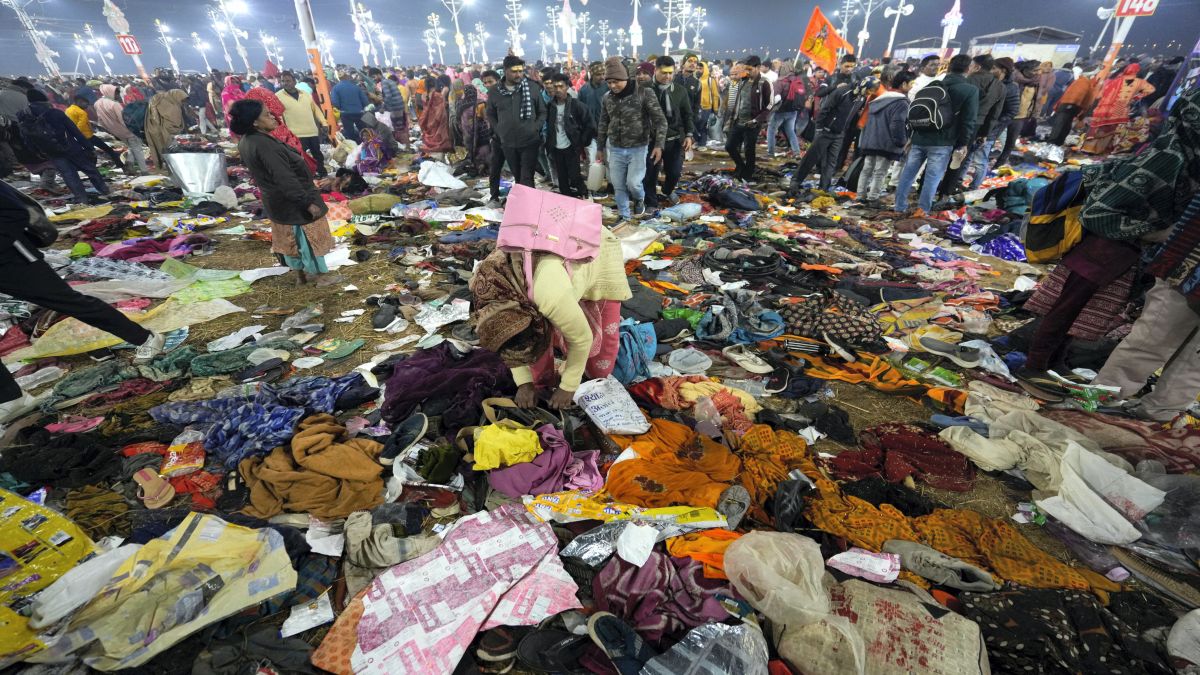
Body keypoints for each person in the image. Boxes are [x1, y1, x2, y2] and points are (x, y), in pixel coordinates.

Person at [1019, 89, 1200, 395]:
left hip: (1128, 255)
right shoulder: (1167, 158)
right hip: (1103, 249)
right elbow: (1099, 211)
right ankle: (1034, 366)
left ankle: (1056, 363)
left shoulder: (1188, 159)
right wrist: (1156, 232)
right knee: (1067, 307)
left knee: (1090, 312)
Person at [473, 228, 632, 410]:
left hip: (595, 246)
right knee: (537, 361)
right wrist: (524, 383)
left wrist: (568, 387)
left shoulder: (550, 297)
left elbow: (582, 338)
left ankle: (594, 377)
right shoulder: (486, 296)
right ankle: (542, 383)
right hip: (552, 262)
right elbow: (508, 343)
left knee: (600, 359)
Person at [230, 98, 332, 285]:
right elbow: (285, 178)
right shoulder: (264, 145)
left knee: (290, 240)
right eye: (267, 114)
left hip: (277, 201)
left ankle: (300, 276)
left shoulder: (249, 140)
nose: (273, 117)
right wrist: (306, 202)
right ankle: (321, 277)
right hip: (293, 201)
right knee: (307, 240)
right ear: (254, 121)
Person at [893, 54, 979, 214]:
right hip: (943, 141)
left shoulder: (934, 84)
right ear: (968, 69)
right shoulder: (970, 90)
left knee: (908, 174)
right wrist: (963, 143)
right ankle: (922, 210)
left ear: (949, 67)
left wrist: (912, 135)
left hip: (920, 136)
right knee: (932, 178)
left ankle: (899, 206)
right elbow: (969, 120)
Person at [596, 56, 667, 220]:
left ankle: (639, 199)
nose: (613, 86)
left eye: (616, 81)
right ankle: (624, 216)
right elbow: (603, 122)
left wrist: (659, 145)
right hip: (615, 148)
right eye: (609, 82)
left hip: (638, 148)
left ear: (626, 78)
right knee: (618, 185)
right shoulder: (607, 97)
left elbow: (660, 120)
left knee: (633, 184)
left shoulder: (644, 93)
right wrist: (600, 147)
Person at [19, 90, 109, 203]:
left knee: (69, 175)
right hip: (70, 147)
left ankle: (81, 199)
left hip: (52, 152)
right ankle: (105, 191)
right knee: (90, 169)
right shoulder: (55, 113)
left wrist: (39, 151)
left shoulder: (25, 117)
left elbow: (26, 137)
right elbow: (74, 131)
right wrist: (88, 147)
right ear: (44, 99)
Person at [787, 61, 859, 194]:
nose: (849, 69)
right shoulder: (834, 81)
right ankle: (796, 181)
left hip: (840, 132)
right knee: (812, 157)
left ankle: (824, 188)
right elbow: (822, 100)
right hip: (826, 128)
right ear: (841, 65)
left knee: (831, 162)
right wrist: (820, 127)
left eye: (852, 66)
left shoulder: (859, 95)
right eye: (847, 65)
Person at [485, 55, 547, 204]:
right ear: (505, 71)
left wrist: (535, 128)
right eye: (514, 71)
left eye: (521, 70)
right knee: (518, 176)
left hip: (529, 141)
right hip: (508, 142)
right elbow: (490, 114)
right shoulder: (495, 92)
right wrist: (499, 130)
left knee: (527, 176)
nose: (519, 74)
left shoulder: (532, 87)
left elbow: (542, 111)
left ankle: (530, 208)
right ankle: (523, 207)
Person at [942, 54, 1004, 195]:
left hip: (957, 122)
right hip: (977, 126)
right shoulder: (1000, 87)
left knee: (941, 154)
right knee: (959, 159)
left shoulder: (969, 80)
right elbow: (994, 114)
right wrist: (984, 134)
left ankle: (929, 185)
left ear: (977, 66)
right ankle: (946, 191)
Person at [643, 56, 694, 208]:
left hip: (675, 138)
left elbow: (687, 114)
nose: (668, 76)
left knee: (674, 173)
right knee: (650, 174)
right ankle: (651, 202)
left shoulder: (679, 91)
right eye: (664, 72)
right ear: (656, 70)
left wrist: (689, 135)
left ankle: (667, 190)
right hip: (651, 140)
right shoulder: (644, 89)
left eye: (671, 73)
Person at [858, 71, 913, 203]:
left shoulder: (879, 98)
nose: (912, 87)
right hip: (886, 142)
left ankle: (860, 196)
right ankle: (873, 198)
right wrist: (901, 142)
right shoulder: (901, 103)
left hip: (870, 140)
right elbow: (897, 124)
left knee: (867, 169)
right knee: (880, 172)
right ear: (904, 84)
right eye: (911, 83)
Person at [968, 58, 1020, 189]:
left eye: (993, 68)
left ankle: (974, 187)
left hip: (990, 130)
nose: (991, 71)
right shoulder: (991, 82)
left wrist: (994, 124)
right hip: (978, 126)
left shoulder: (1011, 88)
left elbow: (1012, 111)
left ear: (1003, 70)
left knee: (980, 160)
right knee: (967, 158)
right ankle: (958, 183)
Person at [1082, 63, 1156, 155]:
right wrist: (1136, 97)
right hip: (1118, 106)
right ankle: (1098, 150)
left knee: (1102, 127)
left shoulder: (1115, 79)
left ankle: (1090, 148)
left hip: (1106, 105)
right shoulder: (1136, 82)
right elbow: (1150, 90)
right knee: (1110, 128)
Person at [545, 73, 595, 199]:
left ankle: (584, 195)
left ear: (567, 87)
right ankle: (566, 200)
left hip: (571, 146)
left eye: (561, 86)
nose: (558, 90)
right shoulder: (550, 106)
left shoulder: (576, 106)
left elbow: (590, 125)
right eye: (555, 87)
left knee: (575, 175)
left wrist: (582, 142)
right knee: (562, 177)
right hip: (556, 147)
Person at [722, 56, 771, 181]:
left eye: (750, 69)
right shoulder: (743, 80)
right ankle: (741, 166)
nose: (748, 72)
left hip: (753, 123)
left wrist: (757, 120)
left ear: (758, 67)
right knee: (730, 146)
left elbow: (770, 106)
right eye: (746, 69)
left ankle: (747, 176)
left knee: (749, 150)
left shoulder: (764, 83)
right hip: (738, 121)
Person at [277, 71, 329, 179]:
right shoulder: (278, 96)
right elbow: (279, 116)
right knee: (299, 158)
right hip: (295, 134)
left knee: (317, 155)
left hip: (312, 131)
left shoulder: (305, 94)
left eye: (288, 80)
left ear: (294, 81)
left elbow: (316, 110)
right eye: (283, 81)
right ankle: (306, 177)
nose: (285, 83)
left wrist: (324, 122)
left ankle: (322, 173)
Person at [94, 84, 147, 174]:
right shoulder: (114, 104)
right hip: (126, 130)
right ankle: (144, 171)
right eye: (116, 94)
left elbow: (100, 120)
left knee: (132, 147)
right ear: (109, 92)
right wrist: (135, 129)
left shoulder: (97, 103)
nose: (118, 96)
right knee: (138, 149)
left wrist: (110, 131)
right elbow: (124, 119)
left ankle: (129, 164)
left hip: (115, 131)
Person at [64, 95, 124, 170]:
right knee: (106, 149)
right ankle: (120, 165)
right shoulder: (82, 112)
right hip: (87, 136)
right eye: (86, 104)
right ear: (79, 102)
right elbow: (80, 126)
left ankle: (89, 168)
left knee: (87, 153)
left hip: (75, 137)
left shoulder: (68, 110)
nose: (87, 106)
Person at [767, 61, 805, 158]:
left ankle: (770, 153)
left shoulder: (780, 82)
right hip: (793, 111)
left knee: (771, 130)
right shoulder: (798, 80)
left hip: (780, 111)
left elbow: (775, 98)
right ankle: (796, 152)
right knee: (791, 131)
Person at [1048, 73, 1097, 147]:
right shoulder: (1084, 82)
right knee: (1062, 124)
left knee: (1064, 124)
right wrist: (1077, 106)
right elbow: (1079, 95)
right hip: (1070, 105)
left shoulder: (1082, 82)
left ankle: (1056, 142)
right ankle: (1053, 142)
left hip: (1069, 105)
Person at [454, 83, 491, 176]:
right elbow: (486, 118)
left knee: (473, 149)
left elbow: (459, 120)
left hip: (467, 131)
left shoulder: (461, 105)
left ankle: (478, 166)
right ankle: (485, 167)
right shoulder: (480, 103)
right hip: (482, 131)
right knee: (484, 149)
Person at [370, 67, 409, 149]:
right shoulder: (389, 81)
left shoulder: (384, 83)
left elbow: (388, 97)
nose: (373, 79)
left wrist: (383, 108)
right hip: (399, 107)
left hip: (395, 108)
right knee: (401, 128)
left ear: (378, 74)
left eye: (374, 77)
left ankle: (405, 148)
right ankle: (406, 147)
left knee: (399, 129)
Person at [331, 71, 369, 142]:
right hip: (359, 112)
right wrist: (360, 107)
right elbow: (365, 101)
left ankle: (354, 149)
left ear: (339, 78)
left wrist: (341, 108)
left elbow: (335, 103)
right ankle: (368, 146)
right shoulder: (355, 87)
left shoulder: (335, 88)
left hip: (345, 114)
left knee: (350, 134)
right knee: (364, 132)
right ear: (347, 77)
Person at [419, 76, 453, 156]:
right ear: (434, 83)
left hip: (427, 119)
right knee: (439, 135)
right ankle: (440, 151)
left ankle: (430, 151)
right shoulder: (438, 95)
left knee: (430, 134)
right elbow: (441, 107)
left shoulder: (423, 95)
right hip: (437, 118)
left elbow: (425, 107)